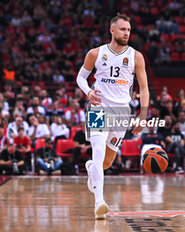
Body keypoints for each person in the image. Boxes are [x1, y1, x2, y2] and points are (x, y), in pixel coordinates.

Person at [76, 13, 149, 219]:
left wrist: (143, 114)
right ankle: (99, 202)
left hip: (121, 111)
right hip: (99, 107)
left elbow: (144, 88)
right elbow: (81, 77)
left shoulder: (136, 56)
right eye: (123, 29)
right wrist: (88, 91)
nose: (127, 33)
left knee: (106, 162)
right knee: (97, 150)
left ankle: (92, 168)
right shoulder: (96, 53)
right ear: (112, 30)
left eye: (128, 29)